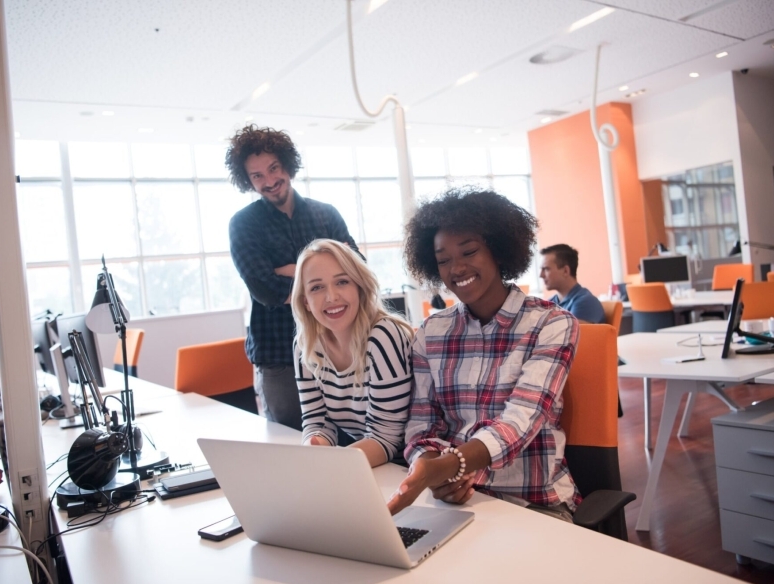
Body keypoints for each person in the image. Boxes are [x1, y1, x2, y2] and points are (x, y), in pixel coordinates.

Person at [388, 187, 580, 522]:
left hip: (535, 504)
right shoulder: (431, 333)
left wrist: (451, 466)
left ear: (499, 250)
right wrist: (432, 468)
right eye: (443, 260)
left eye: (469, 252)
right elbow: (421, 425)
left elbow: (520, 421)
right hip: (453, 501)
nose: (456, 268)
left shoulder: (552, 324)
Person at [227, 125, 360, 430]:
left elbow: (358, 271)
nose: (270, 181)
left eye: (274, 168)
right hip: (279, 355)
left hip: (337, 348)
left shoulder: (326, 214)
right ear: (248, 180)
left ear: (288, 165)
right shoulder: (243, 224)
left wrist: (290, 269)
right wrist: (327, 275)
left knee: (347, 440)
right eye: (257, 176)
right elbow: (265, 288)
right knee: (291, 442)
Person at [290, 239, 414, 467]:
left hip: (407, 469)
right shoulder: (305, 346)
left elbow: (387, 438)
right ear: (305, 301)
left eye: (342, 282)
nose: (332, 297)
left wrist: (329, 467)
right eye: (317, 287)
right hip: (365, 467)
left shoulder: (383, 336)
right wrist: (310, 452)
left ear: (359, 286)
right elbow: (317, 421)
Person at [539, 243, 606, 324]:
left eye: (546, 269)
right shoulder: (550, 303)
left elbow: (571, 335)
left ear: (565, 271)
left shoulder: (586, 302)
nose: (541, 275)